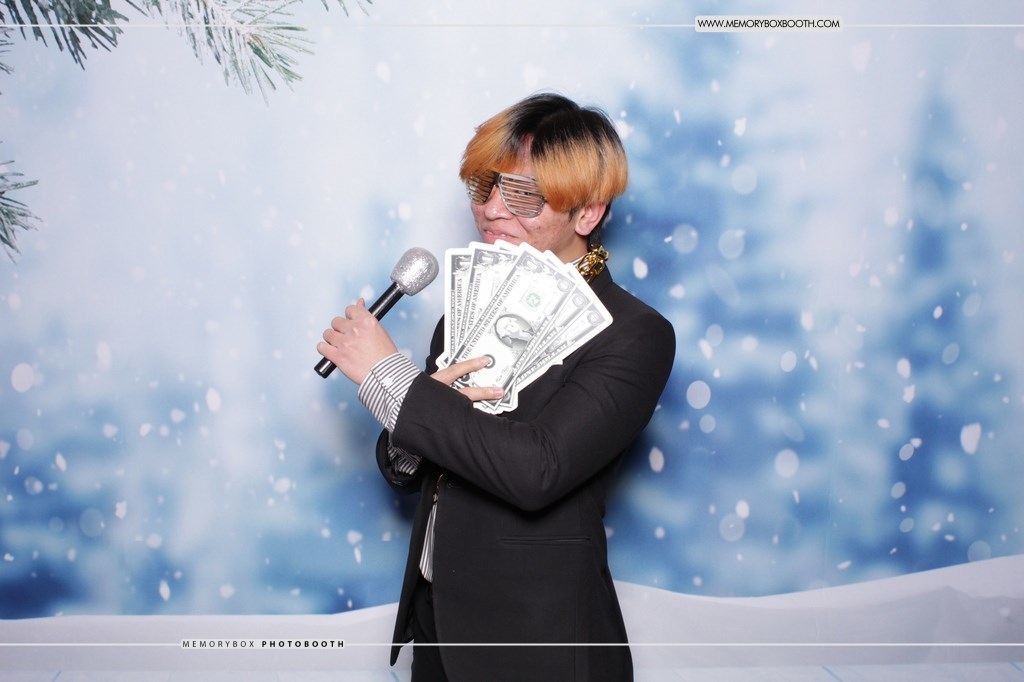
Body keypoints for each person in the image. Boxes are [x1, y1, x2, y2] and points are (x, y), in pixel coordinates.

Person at [317, 93, 676, 681]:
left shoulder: (633, 334)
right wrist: (414, 431)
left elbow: (537, 471)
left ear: (587, 213)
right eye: (483, 187)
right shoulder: (461, 316)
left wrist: (391, 379)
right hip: (436, 627)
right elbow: (415, 469)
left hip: (537, 642)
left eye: (524, 195)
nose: (490, 210)